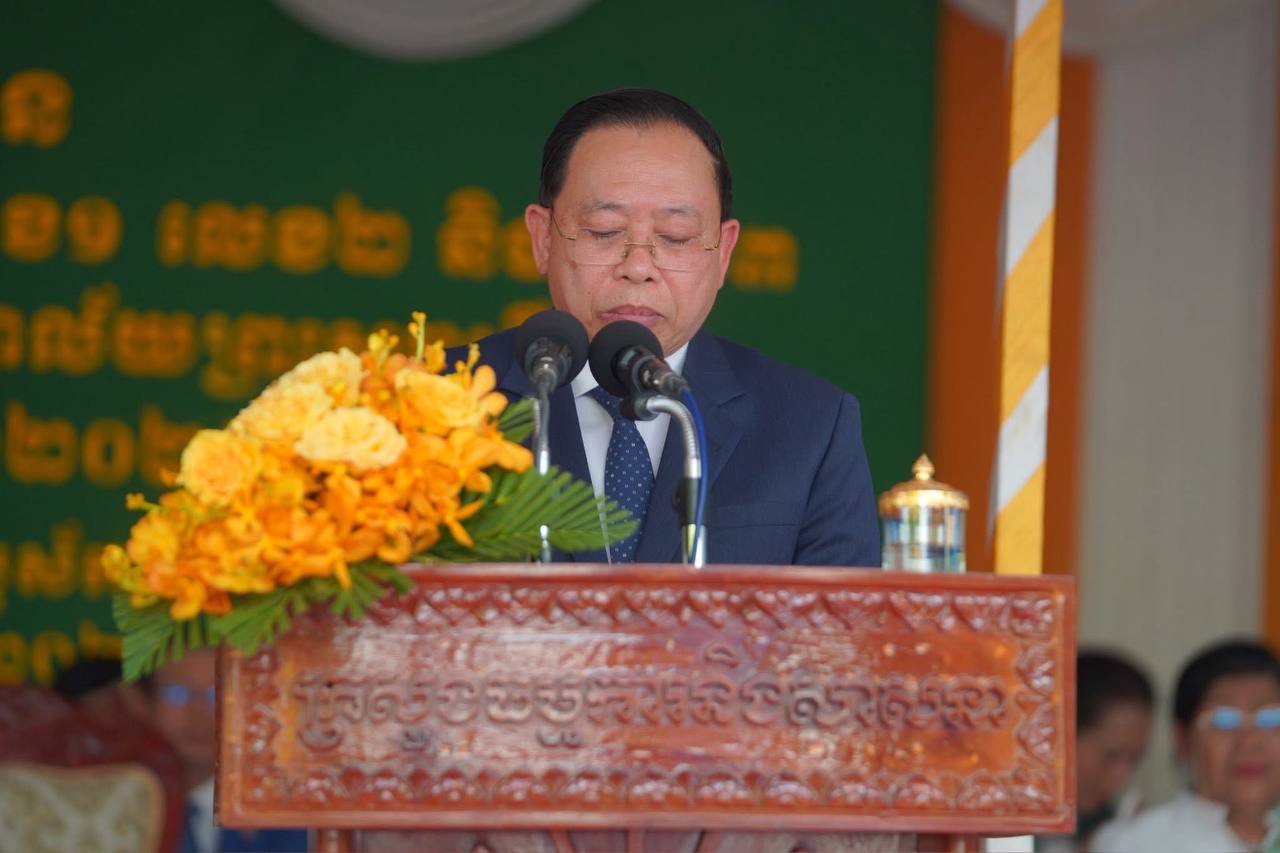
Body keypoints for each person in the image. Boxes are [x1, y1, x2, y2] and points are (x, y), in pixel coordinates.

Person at [460, 88, 879, 566]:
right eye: (603, 231)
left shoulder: (812, 427)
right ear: (542, 239)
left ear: (723, 252)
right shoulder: (438, 405)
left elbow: (840, 615)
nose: (638, 267)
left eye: (675, 238)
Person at [1089, 638, 1280, 852]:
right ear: (1182, 738)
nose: (1250, 741)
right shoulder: (1131, 843)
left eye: (1271, 719)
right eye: (1223, 720)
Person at [147, 648, 310, 853]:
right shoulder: (121, 803)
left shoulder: (286, 813)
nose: (198, 715)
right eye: (177, 693)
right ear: (145, 703)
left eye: (216, 694)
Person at [1037, 650, 1154, 851]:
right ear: (1062, 735)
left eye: (1135, 758)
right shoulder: (1014, 820)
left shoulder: (1116, 824)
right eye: (1111, 756)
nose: (1122, 776)